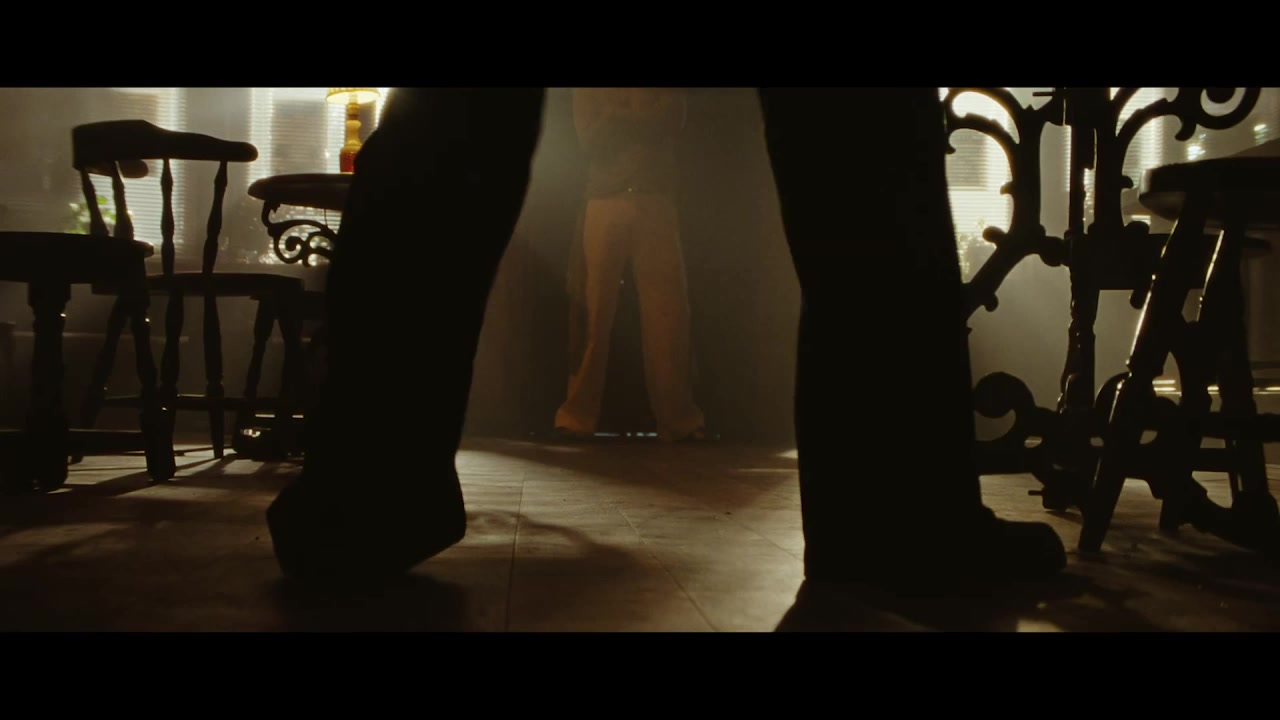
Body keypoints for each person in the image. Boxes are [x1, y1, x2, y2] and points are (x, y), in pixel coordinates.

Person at [266, 87, 1068, 592]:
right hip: (621, 193)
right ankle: (895, 517)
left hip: (633, 194)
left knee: (459, 113)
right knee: (856, 122)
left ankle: (365, 493)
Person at [557, 88, 705, 442]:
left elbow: (673, 119)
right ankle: (576, 418)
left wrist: (616, 115)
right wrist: (642, 115)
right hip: (606, 200)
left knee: (668, 319)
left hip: (652, 201)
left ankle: (678, 421)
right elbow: (588, 140)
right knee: (594, 313)